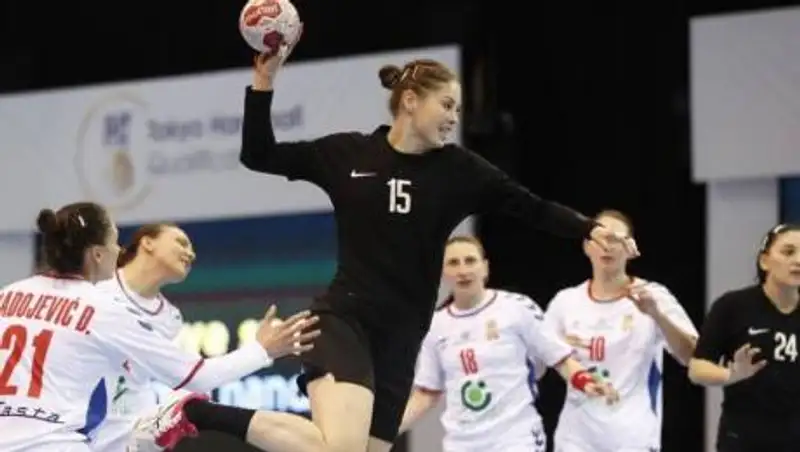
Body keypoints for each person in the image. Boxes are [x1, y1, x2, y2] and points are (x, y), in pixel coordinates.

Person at [143, 34, 638, 452]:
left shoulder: (461, 171)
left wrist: (588, 227)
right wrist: (264, 82)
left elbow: (531, 207)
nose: (454, 117)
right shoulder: (349, 154)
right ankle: (196, 412)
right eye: (447, 105)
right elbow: (259, 154)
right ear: (411, 101)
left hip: (402, 339)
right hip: (346, 320)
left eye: (458, 109)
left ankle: (197, 412)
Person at [0, 202, 316, 452]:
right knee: (198, 409)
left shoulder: (8, 294)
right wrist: (263, 350)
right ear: (97, 254)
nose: (119, 250)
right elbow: (198, 376)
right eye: (114, 242)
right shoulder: (102, 306)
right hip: (60, 442)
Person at [90, 222, 317, 451]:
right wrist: (261, 351)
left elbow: (191, 377)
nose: (191, 254)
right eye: (181, 243)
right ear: (148, 243)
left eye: (191, 249)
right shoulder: (93, 287)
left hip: (125, 435)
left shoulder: (169, 318)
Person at [396, 236, 618, 452]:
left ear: (485, 268)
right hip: (462, 442)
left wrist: (585, 381)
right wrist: (387, 430)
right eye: (453, 263)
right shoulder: (436, 326)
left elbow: (559, 358)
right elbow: (426, 393)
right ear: (442, 273)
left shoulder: (515, 308)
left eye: (470, 261)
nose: (463, 270)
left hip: (514, 436)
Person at [544, 210, 698, 452]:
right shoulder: (565, 302)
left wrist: (657, 315)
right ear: (586, 246)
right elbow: (539, 360)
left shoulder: (654, 296)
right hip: (575, 439)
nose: (607, 246)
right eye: (600, 238)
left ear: (630, 247)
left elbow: (693, 357)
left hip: (633, 438)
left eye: (616, 239)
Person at [688, 223, 800, 452]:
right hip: (744, 439)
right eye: (788, 252)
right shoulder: (733, 307)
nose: (798, 260)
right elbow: (697, 369)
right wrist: (731, 375)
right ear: (765, 261)